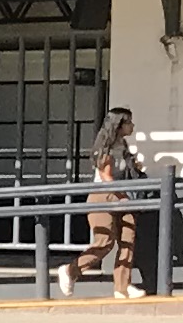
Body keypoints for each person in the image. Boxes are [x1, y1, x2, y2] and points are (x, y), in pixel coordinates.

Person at [61, 107, 150, 299]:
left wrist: (135, 168)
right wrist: (123, 196)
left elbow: (123, 172)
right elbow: (106, 177)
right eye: (129, 122)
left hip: (124, 195)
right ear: (119, 124)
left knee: (128, 240)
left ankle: (122, 287)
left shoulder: (123, 146)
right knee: (105, 242)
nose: (132, 126)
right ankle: (71, 270)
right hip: (105, 195)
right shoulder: (105, 147)